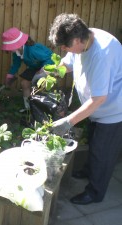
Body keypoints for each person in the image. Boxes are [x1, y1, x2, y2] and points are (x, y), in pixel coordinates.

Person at [49, 13, 122, 205]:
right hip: (96, 109)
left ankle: (95, 193)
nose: (64, 50)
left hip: (113, 111)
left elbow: (99, 99)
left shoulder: (102, 54)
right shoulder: (82, 42)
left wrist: (68, 121)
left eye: (65, 46)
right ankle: (90, 171)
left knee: (102, 153)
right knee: (93, 142)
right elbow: (68, 64)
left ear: (77, 39)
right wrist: (50, 72)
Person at [1, 27, 54, 112]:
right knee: (24, 83)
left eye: (9, 47)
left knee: (38, 85)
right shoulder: (17, 52)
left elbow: (49, 58)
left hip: (48, 65)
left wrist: (43, 70)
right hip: (34, 67)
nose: (9, 49)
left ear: (16, 44)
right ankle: (29, 109)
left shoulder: (33, 50)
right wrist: (10, 76)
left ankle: (44, 109)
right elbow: (16, 64)